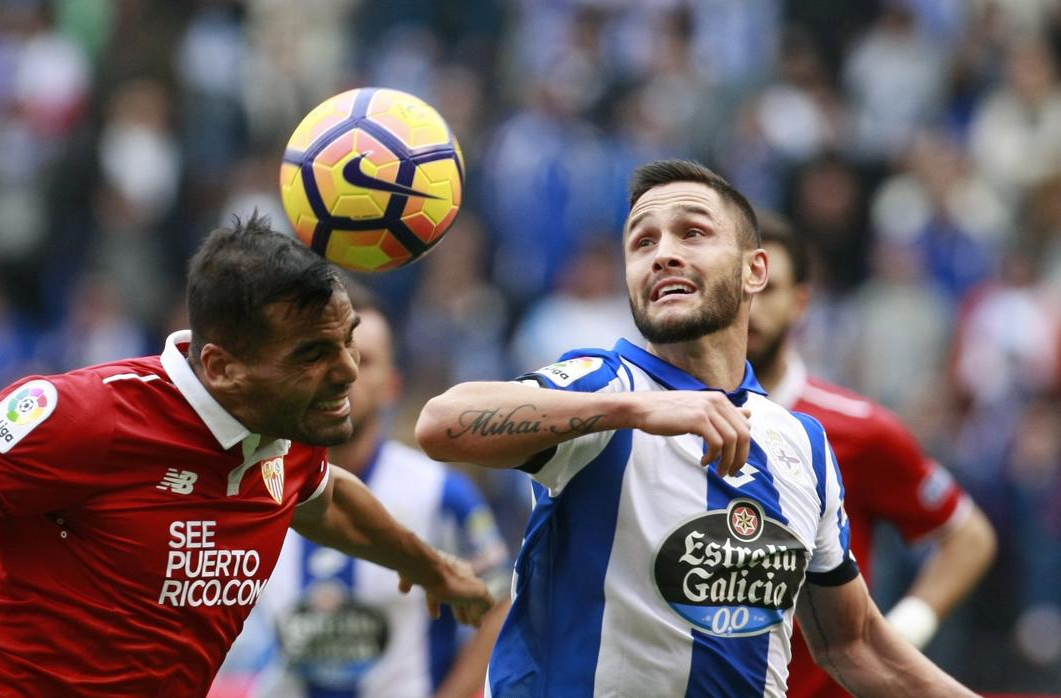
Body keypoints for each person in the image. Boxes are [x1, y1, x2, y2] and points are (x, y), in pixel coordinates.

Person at [0, 214, 494, 698]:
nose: (348, 372)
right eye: (314, 355)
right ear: (222, 367)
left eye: (347, 342)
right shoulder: (85, 417)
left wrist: (430, 568)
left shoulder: (283, 434)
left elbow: (325, 500)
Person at [415, 159, 977, 697]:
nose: (663, 254)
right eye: (642, 242)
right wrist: (634, 412)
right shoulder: (602, 386)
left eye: (692, 233)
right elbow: (440, 424)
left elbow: (856, 647)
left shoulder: (802, 445)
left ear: (755, 270)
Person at [746, 212, 997, 697]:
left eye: (767, 288)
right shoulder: (666, 418)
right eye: (738, 288)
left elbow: (969, 537)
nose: (749, 306)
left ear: (801, 302)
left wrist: (908, 625)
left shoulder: (857, 429)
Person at [233, 284, 513, 698]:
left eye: (363, 361)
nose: (342, 374)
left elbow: (499, 606)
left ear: (392, 385)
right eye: (320, 356)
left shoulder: (441, 492)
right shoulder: (261, 484)